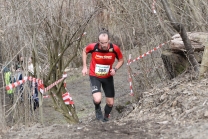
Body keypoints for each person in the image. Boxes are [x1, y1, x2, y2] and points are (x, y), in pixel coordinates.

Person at [82, 29, 124, 122]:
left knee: (110, 103)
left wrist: (115, 69)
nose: (103, 45)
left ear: (109, 40)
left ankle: (106, 117)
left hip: (108, 77)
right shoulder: (93, 47)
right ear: (98, 41)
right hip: (94, 76)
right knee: (97, 99)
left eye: (105, 43)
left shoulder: (115, 48)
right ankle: (97, 109)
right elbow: (84, 51)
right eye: (101, 43)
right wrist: (85, 66)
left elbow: (121, 60)